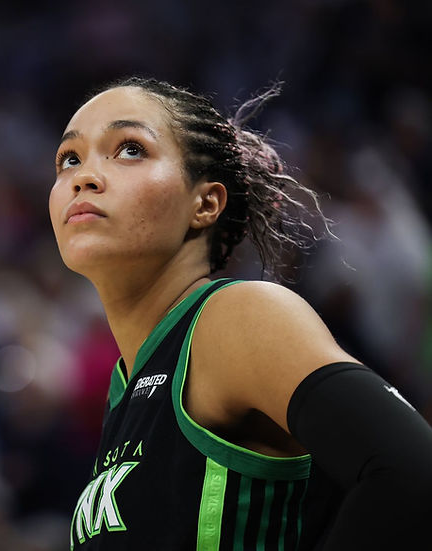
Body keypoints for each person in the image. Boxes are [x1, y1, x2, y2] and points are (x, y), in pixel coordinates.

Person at [49, 77, 432, 550]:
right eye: (69, 158)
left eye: (129, 149)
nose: (83, 176)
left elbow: (413, 470)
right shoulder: (125, 386)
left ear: (205, 203)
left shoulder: (234, 317)